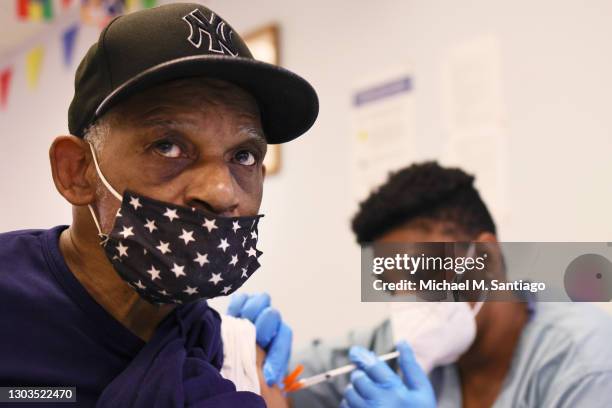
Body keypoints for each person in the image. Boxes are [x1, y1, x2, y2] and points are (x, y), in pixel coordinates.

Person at [0, 3, 316, 407]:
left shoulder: (229, 357)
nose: (222, 193)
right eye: (168, 146)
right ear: (76, 171)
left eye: (244, 156)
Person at [235, 162, 612, 407]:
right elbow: (277, 391)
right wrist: (247, 351)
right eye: (391, 285)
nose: (409, 303)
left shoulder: (586, 363)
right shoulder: (395, 348)